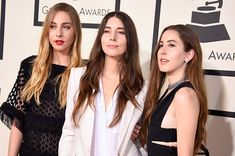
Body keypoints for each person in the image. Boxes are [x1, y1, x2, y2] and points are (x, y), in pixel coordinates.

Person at [59, 11, 147, 156]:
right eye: (107, 31)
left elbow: (143, 139)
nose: (112, 37)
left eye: (121, 32)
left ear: (129, 40)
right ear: (100, 37)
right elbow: (70, 130)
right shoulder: (79, 77)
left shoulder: (141, 87)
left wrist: (139, 133)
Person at [0, 3, 82, 156]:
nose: (59, 33)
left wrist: (130, 127)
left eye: (66, 27)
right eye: (53, 26)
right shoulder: (30, 66)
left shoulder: (84, 72)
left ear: (76, 31)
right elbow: (18, 120)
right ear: (47, 31)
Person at [139, 24, 208, 156]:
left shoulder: (184, 95)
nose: (163, 51)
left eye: (171, 45)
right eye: (161, 44)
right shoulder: (170, 91)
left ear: (188, 55)